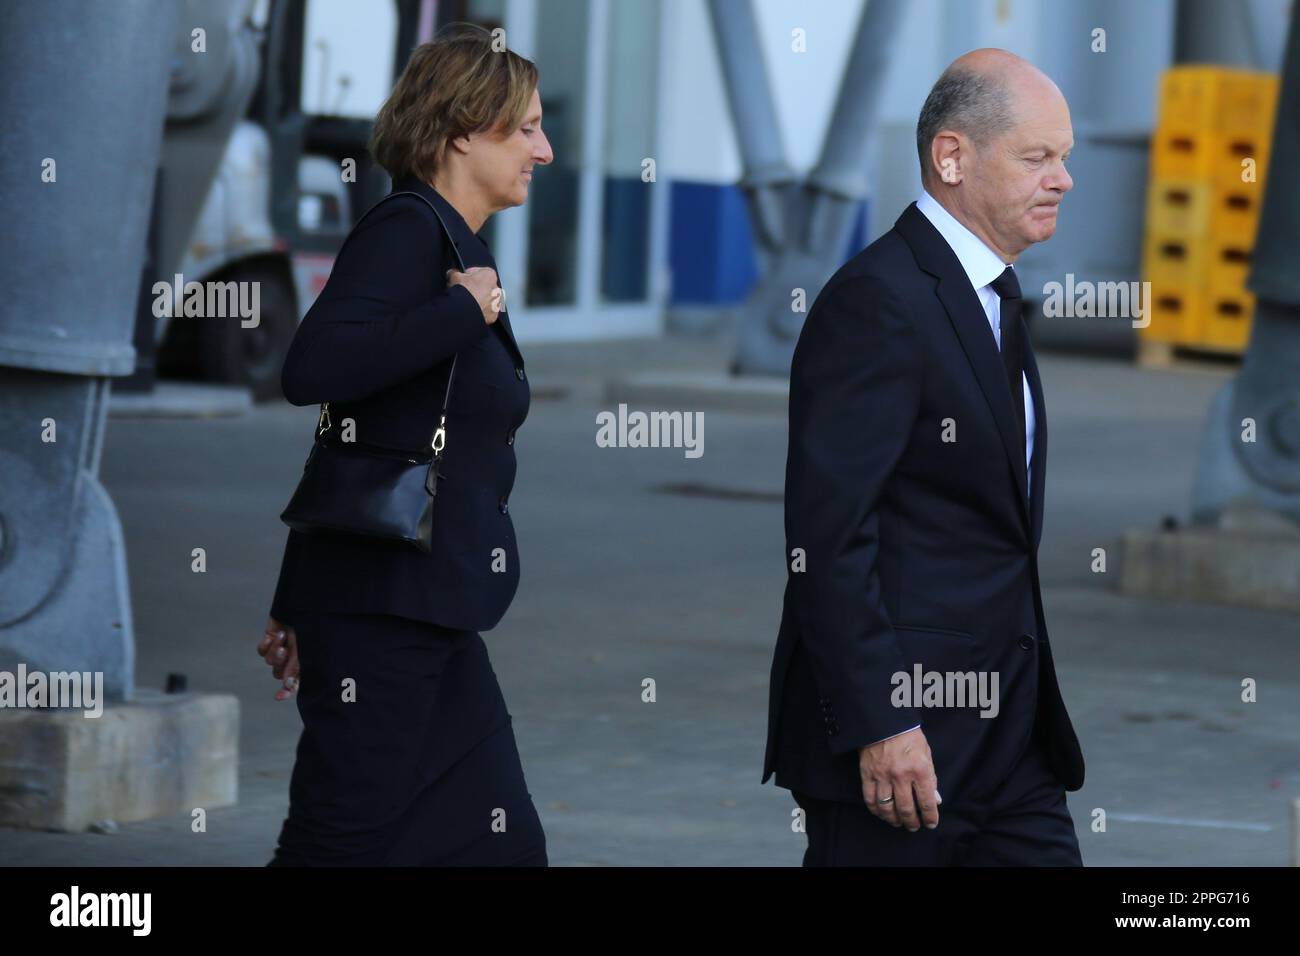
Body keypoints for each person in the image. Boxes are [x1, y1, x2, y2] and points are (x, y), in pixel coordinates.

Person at [762, 48, 1085, 866]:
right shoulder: (878, 301)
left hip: (1011, 741)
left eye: (1066, 158)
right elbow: (828, 538)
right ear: (952, 157)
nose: (1063, 180)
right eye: (1038, 157)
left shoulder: (995, 299)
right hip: (907, 756)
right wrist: (882, 722)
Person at [257, 23, 554, 866]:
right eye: (526, 127)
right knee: (338, 839)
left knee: (498, 845)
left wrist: (293, 593)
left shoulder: (457, 248)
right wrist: (463, 312)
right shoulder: (408, 234)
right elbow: (316, 371)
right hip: (384, 616)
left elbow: (356, 438)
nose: (546, 149)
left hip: (423, 608)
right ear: (464, 128)